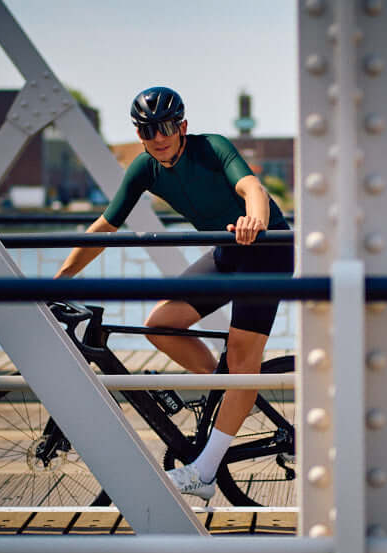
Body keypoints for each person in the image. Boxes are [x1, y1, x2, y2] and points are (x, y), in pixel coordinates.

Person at [55, 86, 293, 501]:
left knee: (241, 358)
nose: (158, 137)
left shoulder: (212, 147)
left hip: (268, 251)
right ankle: (231, 392)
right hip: (228, 253)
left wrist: (256, 221)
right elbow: (105, 228)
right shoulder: (144, 169)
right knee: (161, 325)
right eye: (148, 130)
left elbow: (252, 188)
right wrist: (59, 279)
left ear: (182, 126)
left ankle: (204, 471)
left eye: (166, 127)